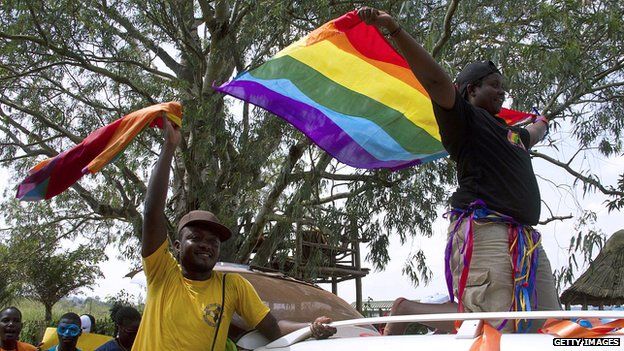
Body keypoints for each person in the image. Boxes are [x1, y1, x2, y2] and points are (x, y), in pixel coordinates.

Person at [357, 7, 561, 333]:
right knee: (494, 330)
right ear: (470, 90)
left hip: (526, 242)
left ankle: (410, 309)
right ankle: (407, 311)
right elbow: (436, 79)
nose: (502, 91)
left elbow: (534, 133)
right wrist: (393, 28)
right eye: (494, 85)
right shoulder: (462, 118)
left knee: (552, 325)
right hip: (487, 231)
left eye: (502, 86)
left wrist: (541, 123)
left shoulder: (513, 134)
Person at [131, 115, 336, 351]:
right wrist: (169, 148)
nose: (206, 245)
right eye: (196, 238)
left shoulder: (233, 286)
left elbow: (273, 328)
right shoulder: (162, 274)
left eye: (213, 241)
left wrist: (311, 328)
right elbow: (152, 213)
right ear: (177, 246)